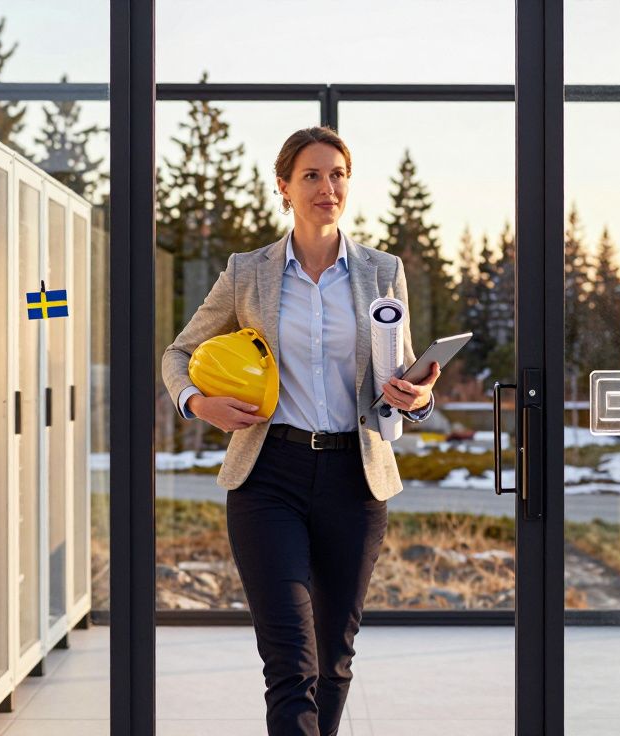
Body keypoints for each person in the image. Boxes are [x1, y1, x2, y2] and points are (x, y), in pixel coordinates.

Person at [161, 126, 441, 735]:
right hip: (269, 477)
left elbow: (405, 375)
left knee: (334, 660)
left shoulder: (381, 272)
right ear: (284, 187)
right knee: (291, 660)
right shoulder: (248, 272)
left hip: (354, 476)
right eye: (311, 175)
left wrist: (417, 395)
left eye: (337, 174)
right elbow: (177, 355)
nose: (327, 187)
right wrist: (197, 404)